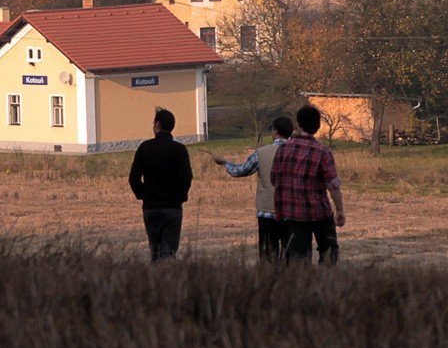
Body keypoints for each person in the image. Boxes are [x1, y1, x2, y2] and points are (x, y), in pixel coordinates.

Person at [270, 104, 346, 264]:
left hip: (293, 214)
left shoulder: (282, 150)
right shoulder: (322, 152)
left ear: (298, 124)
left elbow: (273, 179)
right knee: (329, 252)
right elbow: (333, 185)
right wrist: (340, 210)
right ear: (318, 126)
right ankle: (325, 284)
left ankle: (302, 286)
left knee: (298, 260)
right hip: (320, 213)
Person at [212, 115, 293, 263]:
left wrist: (224, 162)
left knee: (268, 259)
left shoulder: (262, 152)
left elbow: (241, 170)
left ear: (275, 132)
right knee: (291, 259)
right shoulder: (298, 152)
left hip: (267, 213)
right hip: (293, 213)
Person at [128, 108, 193, 262]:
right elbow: (187, 177)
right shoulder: (179, 150)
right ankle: (168, 282)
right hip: (172, 208)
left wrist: (143, 195)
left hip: (150, 207)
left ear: (157, 125)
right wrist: (179, 197)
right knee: (168, 253)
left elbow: (133, 178)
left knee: (155, 251)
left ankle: (155, 282)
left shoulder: (145, 148)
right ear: (172, 127)